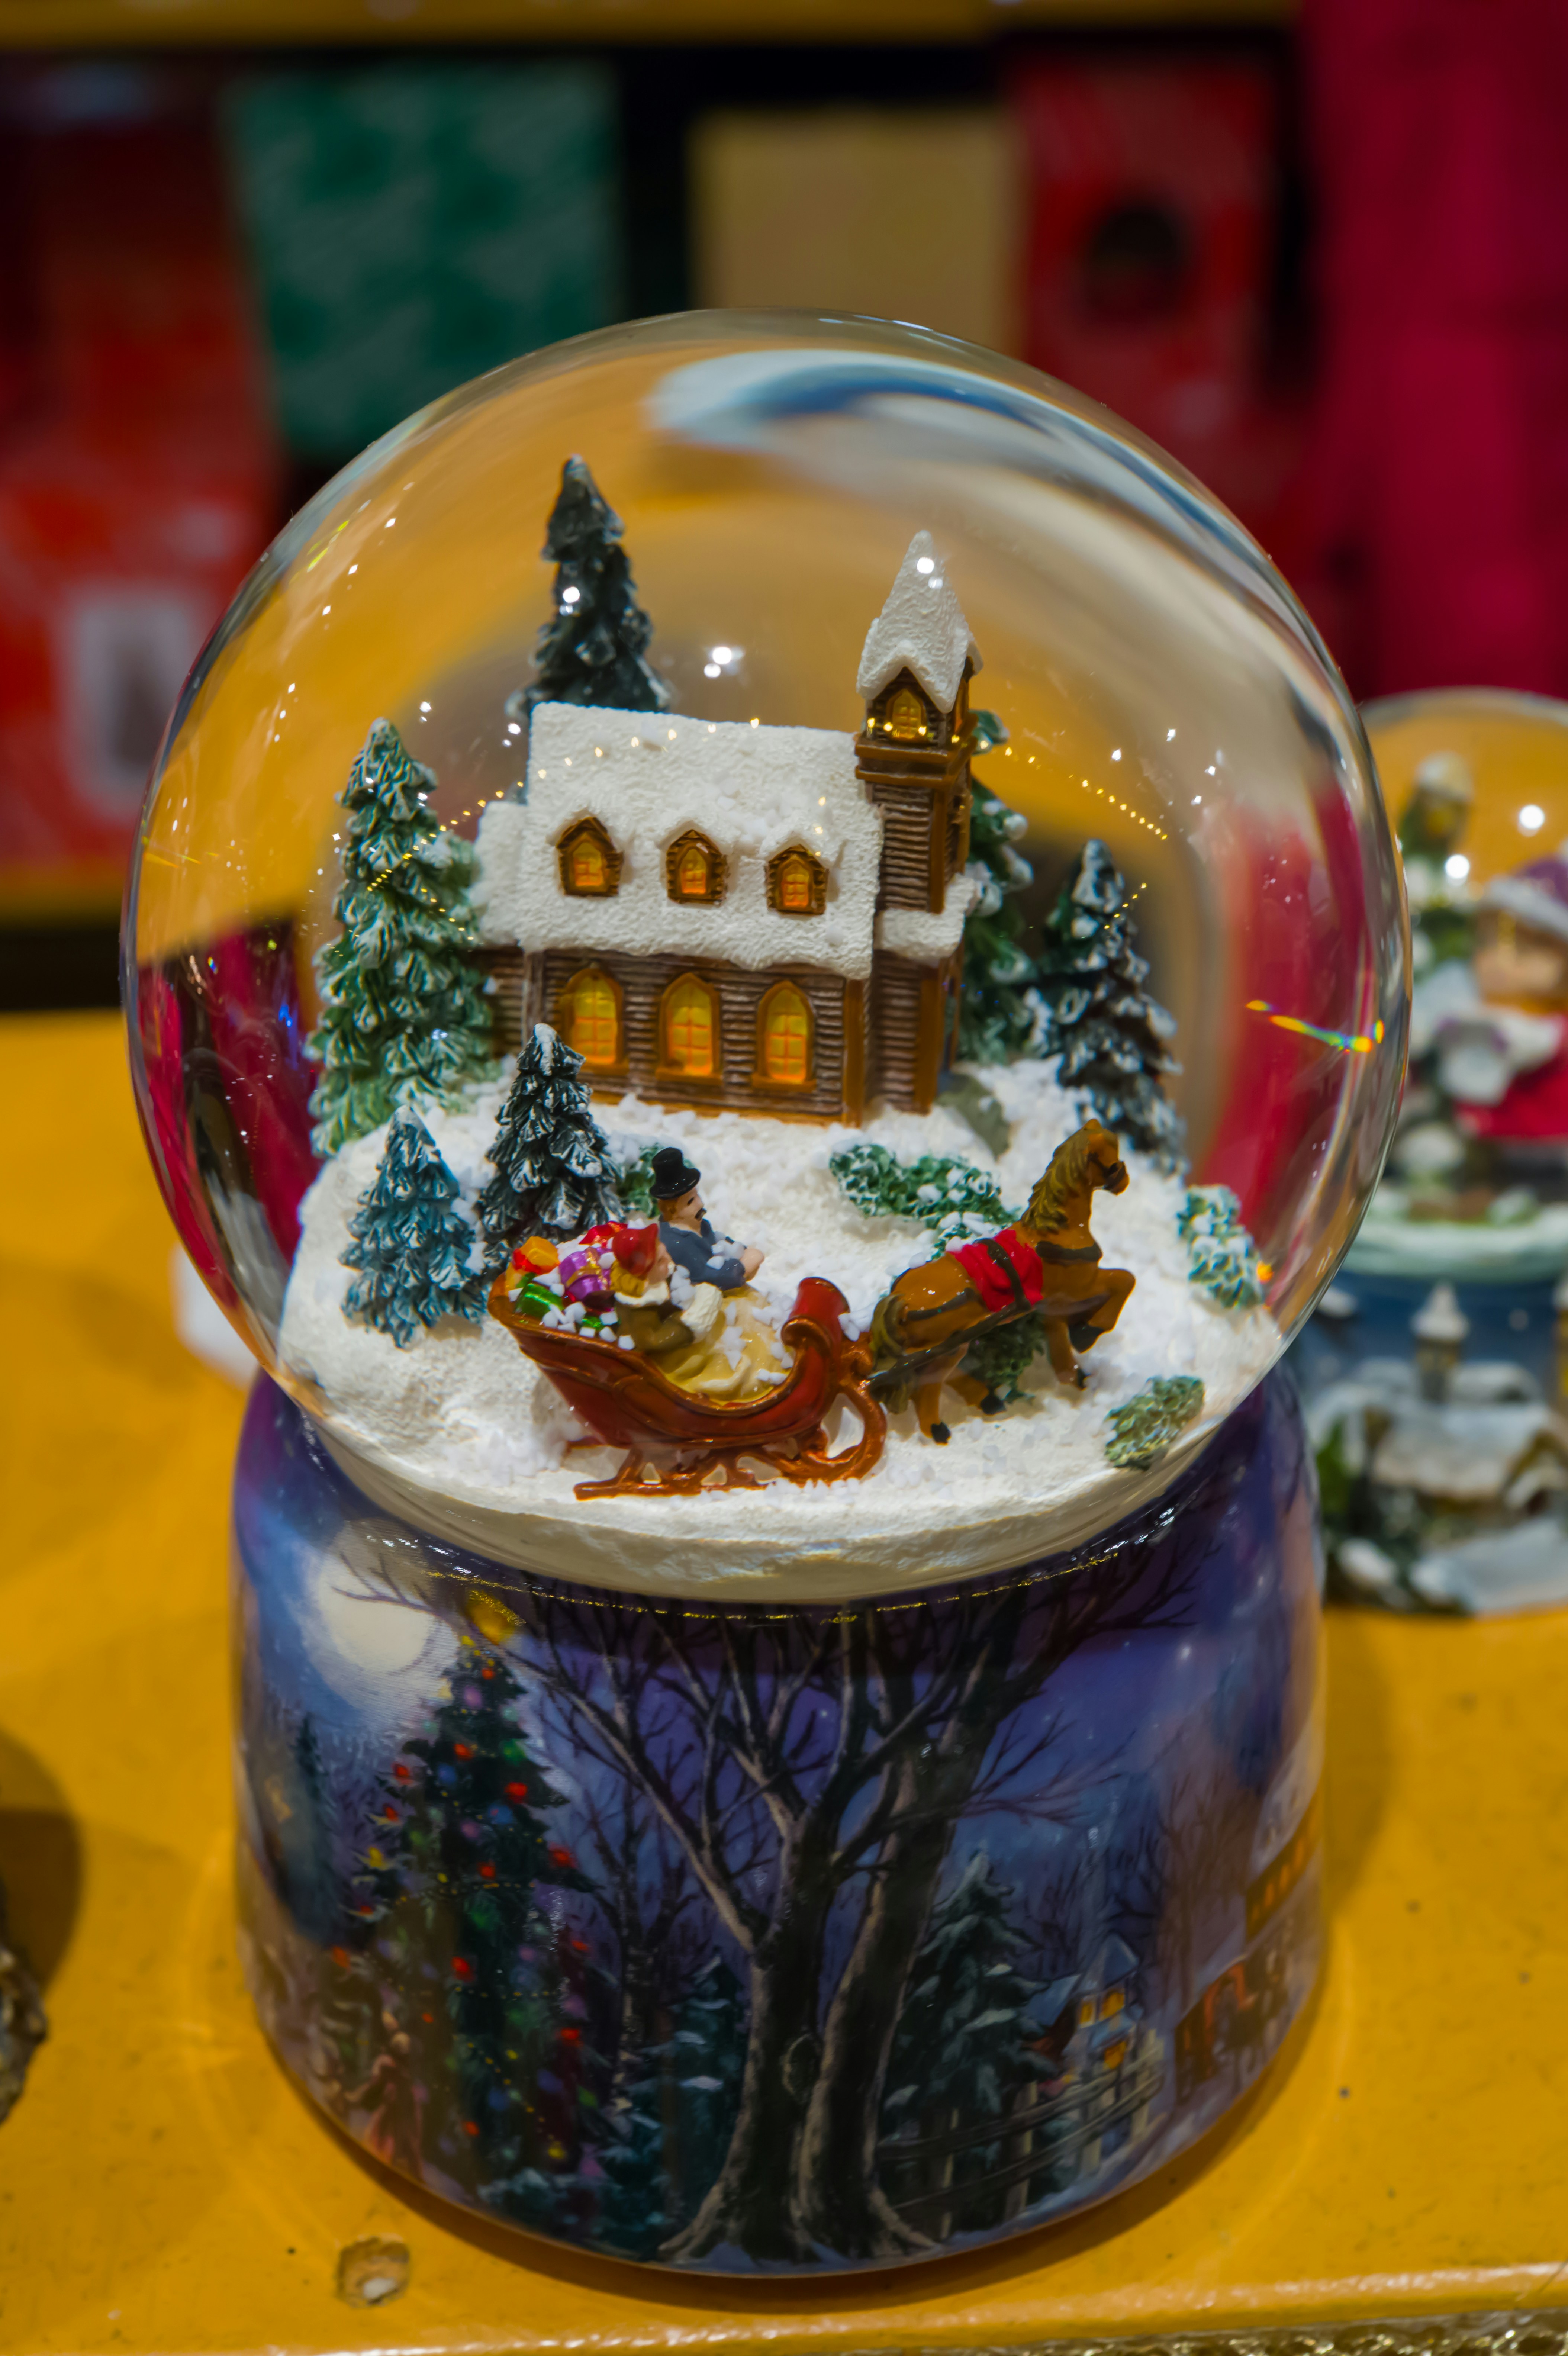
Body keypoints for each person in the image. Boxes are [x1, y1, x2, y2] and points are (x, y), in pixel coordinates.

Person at [609, 1223, 785, 1400]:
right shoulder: (640, 1308)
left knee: (742, 1313)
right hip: (673, 1354)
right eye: (661, 1260)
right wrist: (690, 1325)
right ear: (645, 1273)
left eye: (665, 1253)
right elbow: (652, 1341)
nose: (670, 1259)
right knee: (728, 1353)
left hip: (693, 1320)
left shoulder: (661, 1278)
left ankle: (776, 1340)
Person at [648, 1147, 764, 1292]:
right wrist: (743, 1266)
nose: (701, 1204)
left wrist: (740, 1250)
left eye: (697, 1196)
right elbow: (706, 1278)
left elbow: (719, 1244)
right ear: (673, 1211)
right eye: (691, 1202)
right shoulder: (676, 1243)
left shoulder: (699, 1224)